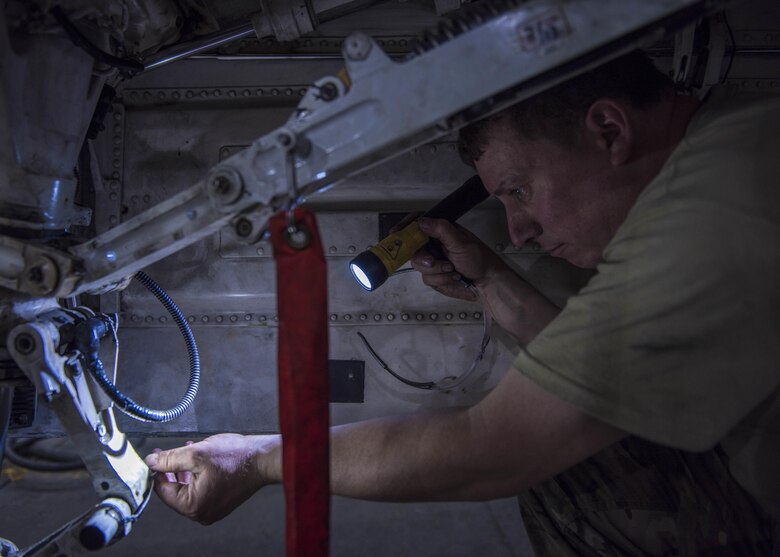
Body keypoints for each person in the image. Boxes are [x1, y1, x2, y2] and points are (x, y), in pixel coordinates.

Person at [144, 50, 780, 554]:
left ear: (608, 129)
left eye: (519, 190)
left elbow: (491, 449)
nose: (521, 229)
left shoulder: (717, 210)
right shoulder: (728, 148)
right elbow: (612, 373)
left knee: (555, 467)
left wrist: (255, 459)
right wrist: (490, 283)